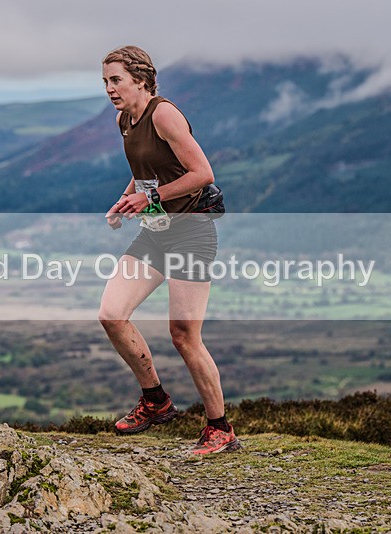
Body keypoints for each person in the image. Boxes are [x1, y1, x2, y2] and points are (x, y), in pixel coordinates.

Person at [98, 45, 240, 454]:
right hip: (156, 232)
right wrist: (125, 200)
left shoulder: (164, 114)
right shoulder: (124, 119)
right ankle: (156, 401)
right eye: (105, 81)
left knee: (183, 335)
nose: (109, 89)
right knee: (111, 314)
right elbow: (143, 169)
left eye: (116, 80)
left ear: (140, 79)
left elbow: (202, 174)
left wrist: (148, 199)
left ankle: (220, 428)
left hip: (192, 232)